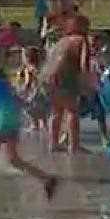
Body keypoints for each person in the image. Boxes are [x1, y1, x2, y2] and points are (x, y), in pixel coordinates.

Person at [0, 45, 57, 205]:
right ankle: (46, 179)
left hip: (4, 121)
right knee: (13, 160)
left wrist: (26, 107)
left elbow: (8, 97)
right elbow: (13, 97)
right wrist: (26, 107)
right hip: (9, 120)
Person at [42, 12, 94, 153]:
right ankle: (74, 145)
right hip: (64, 78)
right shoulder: (81, 40)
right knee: (72, 111)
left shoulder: (62, 40)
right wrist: (88, 84)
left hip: (47, 78)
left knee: (57, 111)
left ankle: (53, 143)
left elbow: (49, 59)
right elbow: (84, 64)